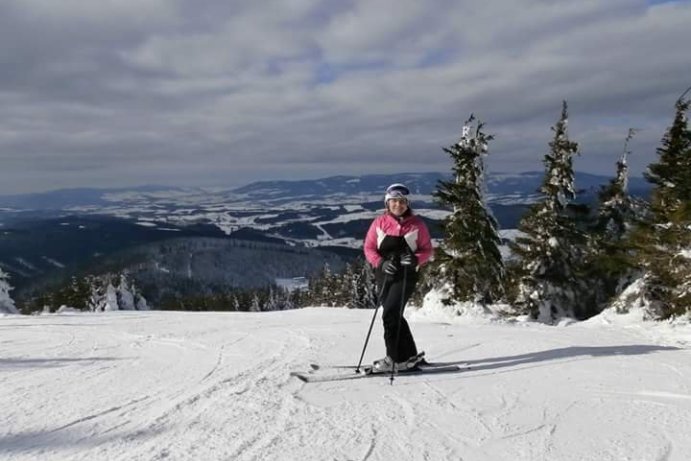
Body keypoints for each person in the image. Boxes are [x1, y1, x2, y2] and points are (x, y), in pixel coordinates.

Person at [363, 183, 434, 372]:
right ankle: (409, 355)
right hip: (384, 274)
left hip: (406, 276)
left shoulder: (417, 224)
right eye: (394, 201)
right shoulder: (379, 223)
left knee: (389, 315)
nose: (398, 205)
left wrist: (414, 259)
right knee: (395, 315)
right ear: (387, 203)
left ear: (407, 204)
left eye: (402, 201)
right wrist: (381, 262)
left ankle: (393, 359)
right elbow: (369, 248)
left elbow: (427, 250)